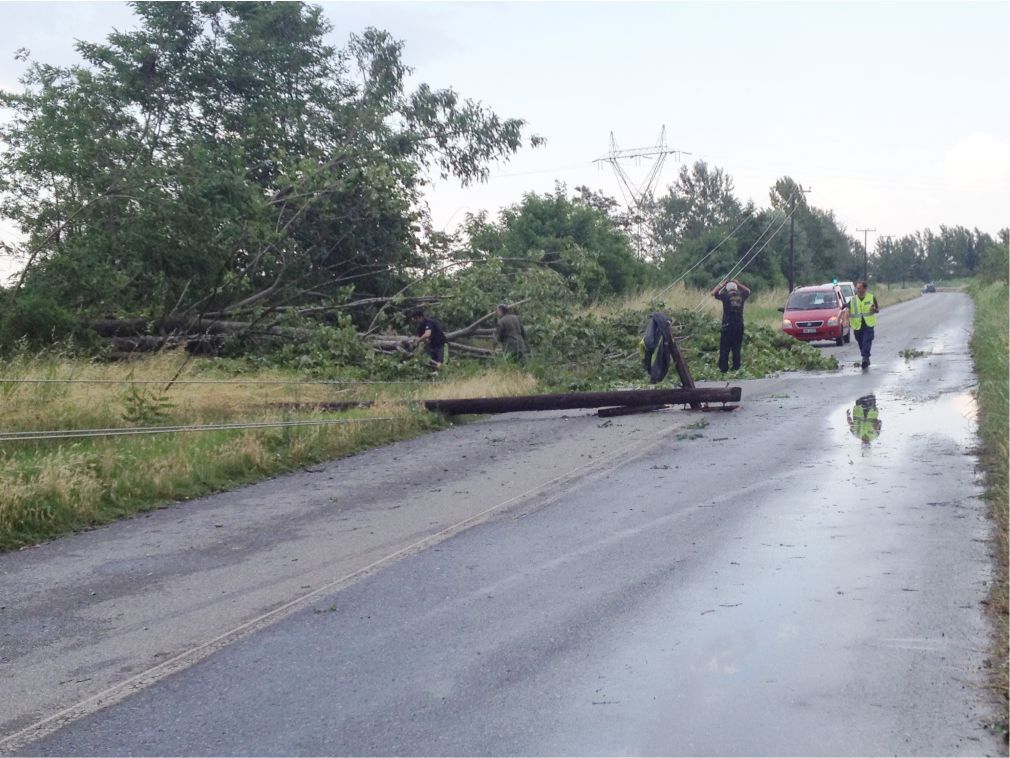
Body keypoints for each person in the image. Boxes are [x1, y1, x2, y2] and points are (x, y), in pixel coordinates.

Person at [710, 278, 751, 373]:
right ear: (736, 288)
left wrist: (722, 285)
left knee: (725, 347)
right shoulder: (741, 296)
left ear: (727, 289)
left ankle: (723, 368)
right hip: (739, 325)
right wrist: (739, 283)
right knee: (736, 347)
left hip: (727, 325)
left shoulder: (725, 296)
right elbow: (748, 290)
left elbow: (713, 293)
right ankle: (736, 367)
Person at [849, 280, 880, 369]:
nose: (857, 289)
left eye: (859, 288)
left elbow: (877, 310)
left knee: (867, 340)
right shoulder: (853, 299)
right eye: (857, 288)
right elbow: (847, 308)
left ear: (865, 288)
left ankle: (865, 358)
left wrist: (874, 309)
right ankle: (865, 356)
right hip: (857, 325)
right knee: (860, 341)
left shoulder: (871, 297)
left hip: (868, 324)